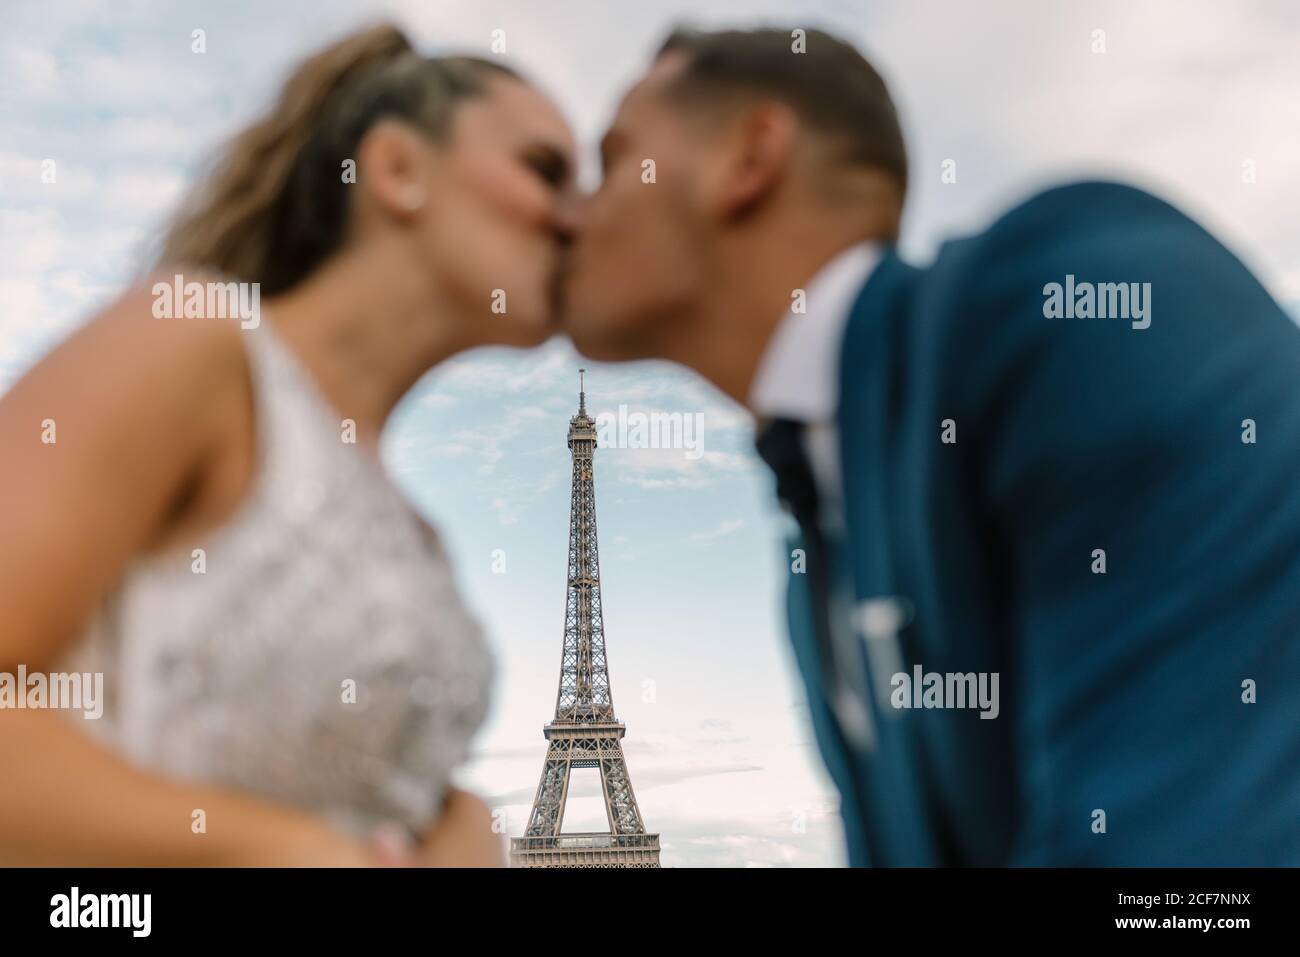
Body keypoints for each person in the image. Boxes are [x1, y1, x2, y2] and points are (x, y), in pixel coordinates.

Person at [559, 26, 1300, 865]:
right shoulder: (822, 550)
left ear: (749, 158)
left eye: (614, 159)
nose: (567, 211)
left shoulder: (1066, 300)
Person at [0, 23, 577, 865]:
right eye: (545, 170)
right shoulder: (190, 341)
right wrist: (280, 848)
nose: (576, 218)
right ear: (396, 170)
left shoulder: (418, 537)